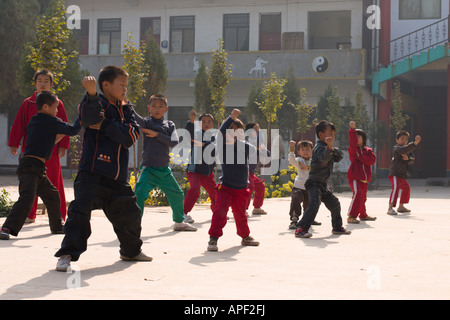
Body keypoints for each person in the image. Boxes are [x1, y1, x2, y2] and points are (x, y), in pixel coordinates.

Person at [55, 66, 152, 272]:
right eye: (121, 85)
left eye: (126, 85)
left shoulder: (127, 109)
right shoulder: (94, 101)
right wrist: (91, 94)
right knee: (79, 214)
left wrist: (106, 125)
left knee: (130, 215)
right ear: (106, 85)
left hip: (117, 177)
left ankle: (130, 251)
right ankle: (67, 254)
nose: (125, 89)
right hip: (92, 172)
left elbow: (131, 136)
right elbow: (89, 120)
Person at [0, 91, 80, 240]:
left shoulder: (35, 120)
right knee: (27, 198)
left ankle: (57, 226)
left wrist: (59, 136)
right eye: (55, 108)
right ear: (45, 107)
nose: (57, 111)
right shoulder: (51, 121)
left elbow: (45, 142)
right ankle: (6, 228)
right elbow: (74, 129)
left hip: (35, 168)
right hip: (30, 167)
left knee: (52, 195)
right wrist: (81, 117)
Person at [8, 69, 70, 223]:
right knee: (29, 184)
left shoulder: (57, 104)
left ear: (51, 84)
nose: (43, 83)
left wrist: (63, 145)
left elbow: (63, 124)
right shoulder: (27, 103)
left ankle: (60, 216)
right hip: (30, 152)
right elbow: (19, 125)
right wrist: (14, 143)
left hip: (51, 150)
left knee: (55, 182)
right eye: (40, 81)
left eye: (46, 81)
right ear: (35, 83)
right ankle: (30, 214)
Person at [133, 94, 197, 231]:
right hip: (148, 169)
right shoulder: (146, 122)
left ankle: (179, 223)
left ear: (166, 109)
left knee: (177, 194)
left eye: (160, 106)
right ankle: (134, 225)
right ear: (149, 108)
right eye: (154, 106)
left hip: (164, 170)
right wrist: (126, 103)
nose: (157, 109)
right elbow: (135, 117)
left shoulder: (169, 124)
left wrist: (156, 135)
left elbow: (174, 141)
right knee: (139, 193)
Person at [207, 109, 260, 251]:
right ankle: (213, 239)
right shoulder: (222, 146)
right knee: (220, 211)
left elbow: (254, 149)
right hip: (226, 187)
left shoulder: (244, 146)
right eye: (231, 130)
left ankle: (245, 237)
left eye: (237, 131)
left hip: (242, 188)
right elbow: (220, 134)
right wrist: (231, 118)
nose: (234, 133)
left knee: (240, 215)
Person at [294, 120, 351, 238]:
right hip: (313, 183)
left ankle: (337, 227)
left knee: (334, 203)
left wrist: (332, 148)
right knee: (314, 203)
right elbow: (324, 159)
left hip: (322, 185)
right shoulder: (318, 147)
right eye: (330, 132)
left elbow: (339, 156)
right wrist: (329, 148)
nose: (333, 135)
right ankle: (301, 228)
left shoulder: (329, 148)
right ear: (321, 135)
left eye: (334, 133)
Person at [183, 110, 217, 222]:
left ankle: (217, 212)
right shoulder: (196, 134)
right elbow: (188, 135)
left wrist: (204, 144)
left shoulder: (214, 136)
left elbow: (215, 148)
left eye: (209, 121)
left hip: (207, 172)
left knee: (215, 193)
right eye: (203, 121)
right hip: (194, 170)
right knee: (195, 189)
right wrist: (191, 121)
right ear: (199, 124)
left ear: (212, 124)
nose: (206, 124)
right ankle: (183, 214)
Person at [347, 121, 377, 223]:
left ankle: (363, 215)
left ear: (364, 139)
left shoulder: (368, 150)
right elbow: (352, 141)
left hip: (365, 179)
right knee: (357, 194)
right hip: (354, 177)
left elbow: (372, 160)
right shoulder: (353, 150)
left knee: (362, 198)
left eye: (359, 136)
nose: (357, 138)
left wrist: (361, 157)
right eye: (356, 137)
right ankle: (351, 216)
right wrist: (352, 130)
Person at [288, 139, 321, 229]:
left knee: (310, 204)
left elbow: (318, 166)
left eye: (308, 150)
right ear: (298, 151)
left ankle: (309, 219)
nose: (305, 152)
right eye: (303, 150)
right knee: (295, 200)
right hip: (299, 186)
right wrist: (291, 149)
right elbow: (292, 161)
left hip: (310, 188)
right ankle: (294, 220)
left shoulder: (313, 160)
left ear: (312, 151)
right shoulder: (299, 160)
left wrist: (308, 167)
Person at [387, 130, 421, 215]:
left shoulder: (408, 151)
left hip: (402, 174)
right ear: (397, 140)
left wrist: (408, 159)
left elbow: (412, 160)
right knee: (396, 188)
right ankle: (390, 208)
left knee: (406, 188)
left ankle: (401, 206)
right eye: (402, 139)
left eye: (406, 139)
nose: (404, 141)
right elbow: (404, 150)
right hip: (394, 173)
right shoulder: (397, 148)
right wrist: (415, 143)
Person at [245, 123, 268, 215]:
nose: (258, 130)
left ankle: (257, 208)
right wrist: (258, 132)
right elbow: (260, 143)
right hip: (245, 171)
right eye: (256, 129)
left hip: (251, 172)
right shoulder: (248, 141)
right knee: (249, 188)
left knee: (260, 187)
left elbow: (262, 145)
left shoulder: (254, 140)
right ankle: (243, 210)